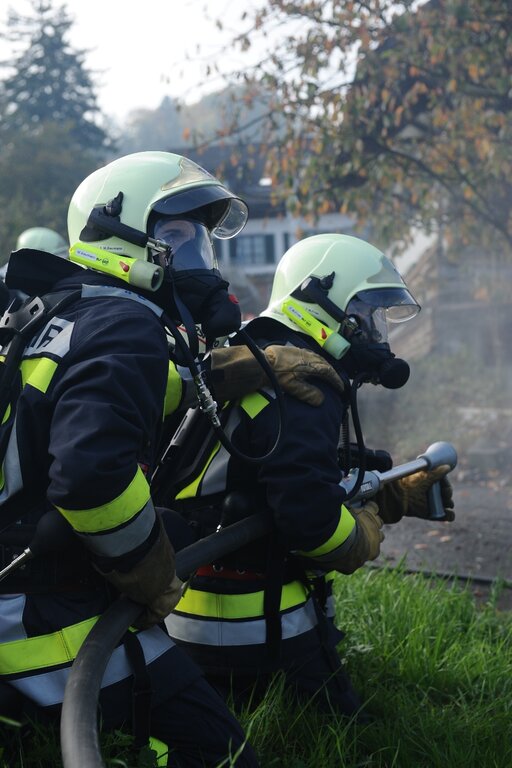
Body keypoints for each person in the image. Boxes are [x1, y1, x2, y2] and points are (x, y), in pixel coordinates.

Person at [0, 152, 343, 767]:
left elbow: (106, 393)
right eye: (182, 239)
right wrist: (150, 569)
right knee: (224, 756)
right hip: (37, 611)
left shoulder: (64, 312)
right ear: (121, 236)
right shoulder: (125, 324)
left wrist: (228, 368)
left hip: (18, 580)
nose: (202, 262)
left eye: (204, 243)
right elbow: (90, 480)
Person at [163, 233, 455, 719]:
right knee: (352, 735)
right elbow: (309, 519)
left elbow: (280, 472)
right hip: (257, 631)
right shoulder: (304, 382)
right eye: (366, 314)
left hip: (193, 621)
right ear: (324, 302)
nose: (375, 332)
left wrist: (389, 494)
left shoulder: (257, 357)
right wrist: (361, 533)